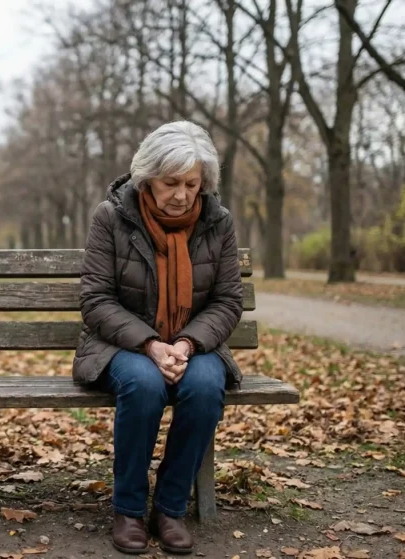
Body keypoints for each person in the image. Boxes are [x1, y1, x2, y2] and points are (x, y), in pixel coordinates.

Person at [72, 121, 243, 555]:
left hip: (193, 343)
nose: (182, 195)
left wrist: (185, 344)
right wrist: (151, 344)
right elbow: (96, 301)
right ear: (147, 178)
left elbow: (226, 301)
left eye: (192, 184)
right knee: (145, 384)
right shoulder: (111, 216)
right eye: (171, 183)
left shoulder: (217, 222)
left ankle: (169, 509)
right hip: (120, 344)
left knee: (206, 386)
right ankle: (128, 510)